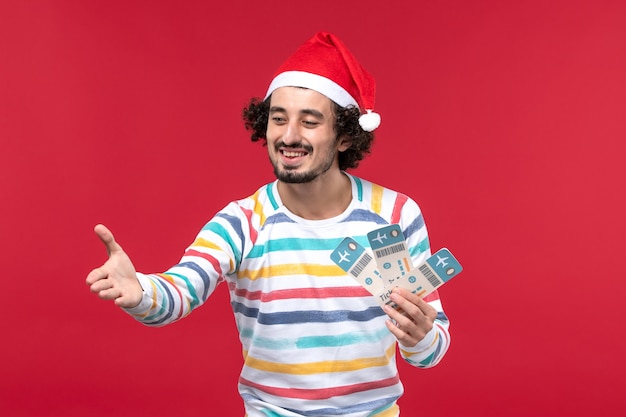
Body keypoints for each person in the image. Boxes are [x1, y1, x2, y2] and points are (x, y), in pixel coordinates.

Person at [86, 31, 451, 417]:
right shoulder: (242, 221)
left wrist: (421, 335)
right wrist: (139, 290)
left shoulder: (395, 215)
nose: (289, 136)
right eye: (278, 119)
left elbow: (431, 351)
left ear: (345, 135)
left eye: (309, 122)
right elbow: (178, 295)